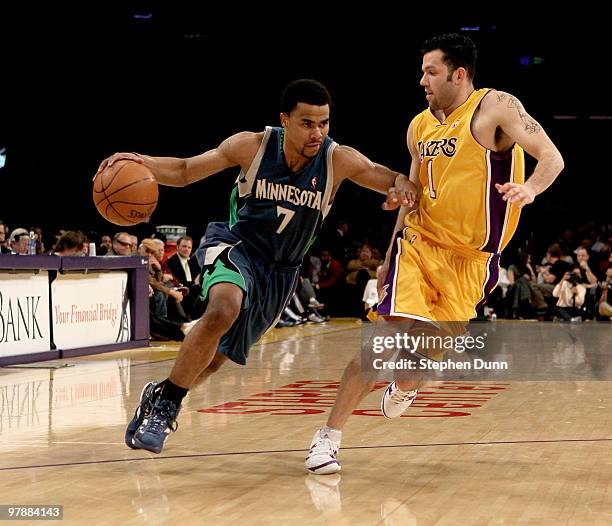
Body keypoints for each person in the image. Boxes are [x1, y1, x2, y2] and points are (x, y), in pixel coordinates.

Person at [96, 79, 415, 454]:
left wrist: (401, 188)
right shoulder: (252, 145)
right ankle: (167, 409)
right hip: (237, 246)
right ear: (285, 119)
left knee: (214, 362)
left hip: (280, 272)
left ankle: (162, 392)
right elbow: (184, 171)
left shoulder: (337, 159)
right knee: (224, 308)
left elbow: (391, 177)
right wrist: (140, 161)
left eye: (324, 123)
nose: (318, 132)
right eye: (307, 123)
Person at [305, 33, 564, 474]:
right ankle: (327, 439)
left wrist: (530, 188)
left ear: (458, 74)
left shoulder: (494, 107)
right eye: (422, 71)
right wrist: (390, 256)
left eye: (431, 72)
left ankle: (406, 387)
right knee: (383, 341)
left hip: (472, 261)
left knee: (416, 364)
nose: (422, 79)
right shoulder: (418, 127)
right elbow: (412, 196)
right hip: (421, 244)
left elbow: (552, 158)